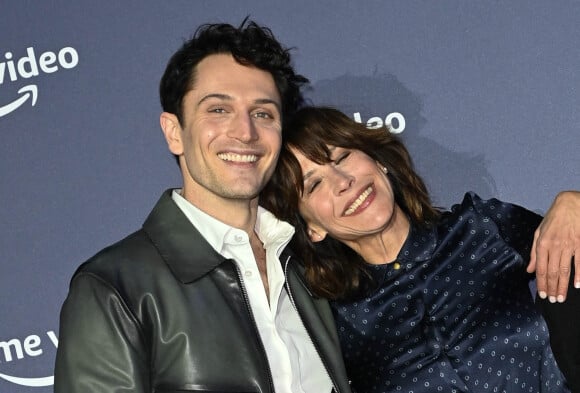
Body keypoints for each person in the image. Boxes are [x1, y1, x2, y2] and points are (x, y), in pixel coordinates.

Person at [54, 22, 352, 393]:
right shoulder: (116, 288)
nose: (245, 132)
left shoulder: (309, 263)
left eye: (263, 113)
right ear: (174, 132)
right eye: (218, 109)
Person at [261, 106, 579, 392]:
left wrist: (573, 204)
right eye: (314, 184)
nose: (343, 181)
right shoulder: (334, 324)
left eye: (342, 157)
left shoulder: (483, 226)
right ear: (311, 229)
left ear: (378, 162)